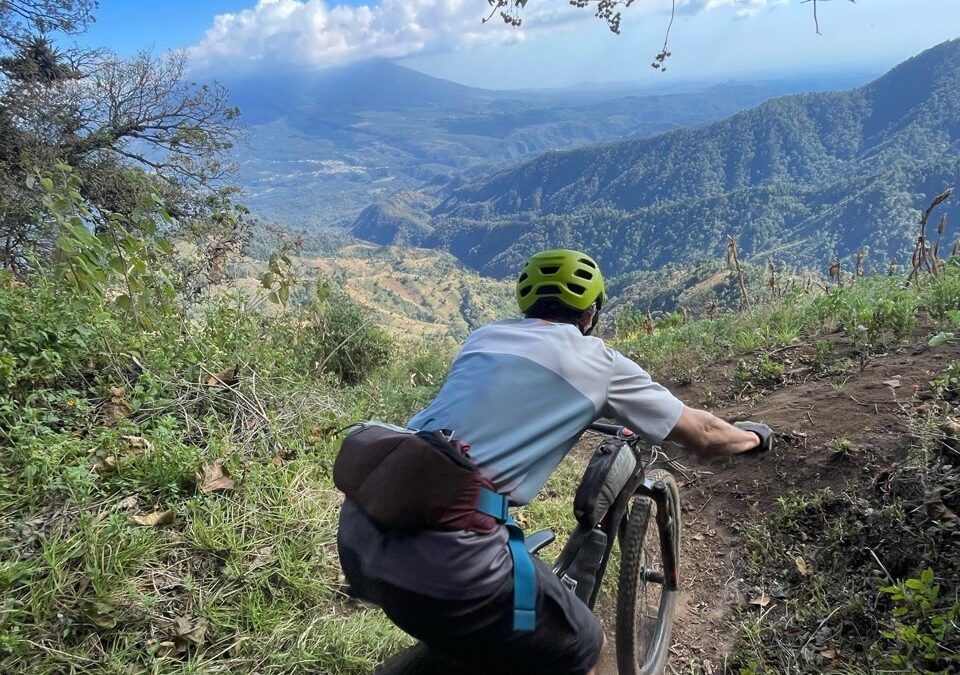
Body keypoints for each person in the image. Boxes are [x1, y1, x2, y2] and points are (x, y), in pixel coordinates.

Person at [337, 248, 773, 675]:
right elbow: (706, 435)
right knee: (586, 648)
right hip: (455, 560)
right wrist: (754, 437)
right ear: (591, 314)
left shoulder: (483, 337)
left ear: (527, 305)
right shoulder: (599, 363)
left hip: (363, 532)